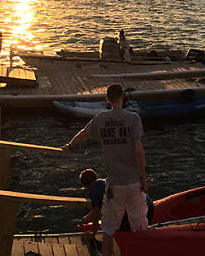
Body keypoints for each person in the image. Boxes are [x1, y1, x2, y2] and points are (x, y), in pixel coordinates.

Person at [63, 84, 148, 256]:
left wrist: (69, 145)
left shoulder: (101, 119)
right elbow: (139, 151)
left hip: (114, 185)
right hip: (133, 182)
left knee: (109, 229)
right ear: (122, 98)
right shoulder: (134, 118)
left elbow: (84, 133)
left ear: (107, 99)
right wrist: (143, 178)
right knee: (139, 226)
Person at [78, 168, 154, 239]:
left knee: (117, 230)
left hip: (139, 211)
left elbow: (96, 213)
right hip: (148, 206)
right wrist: (85, 219)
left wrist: (93, 234)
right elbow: (95, 210)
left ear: (85, 185)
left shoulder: (94, 189)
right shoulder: (103, 183)